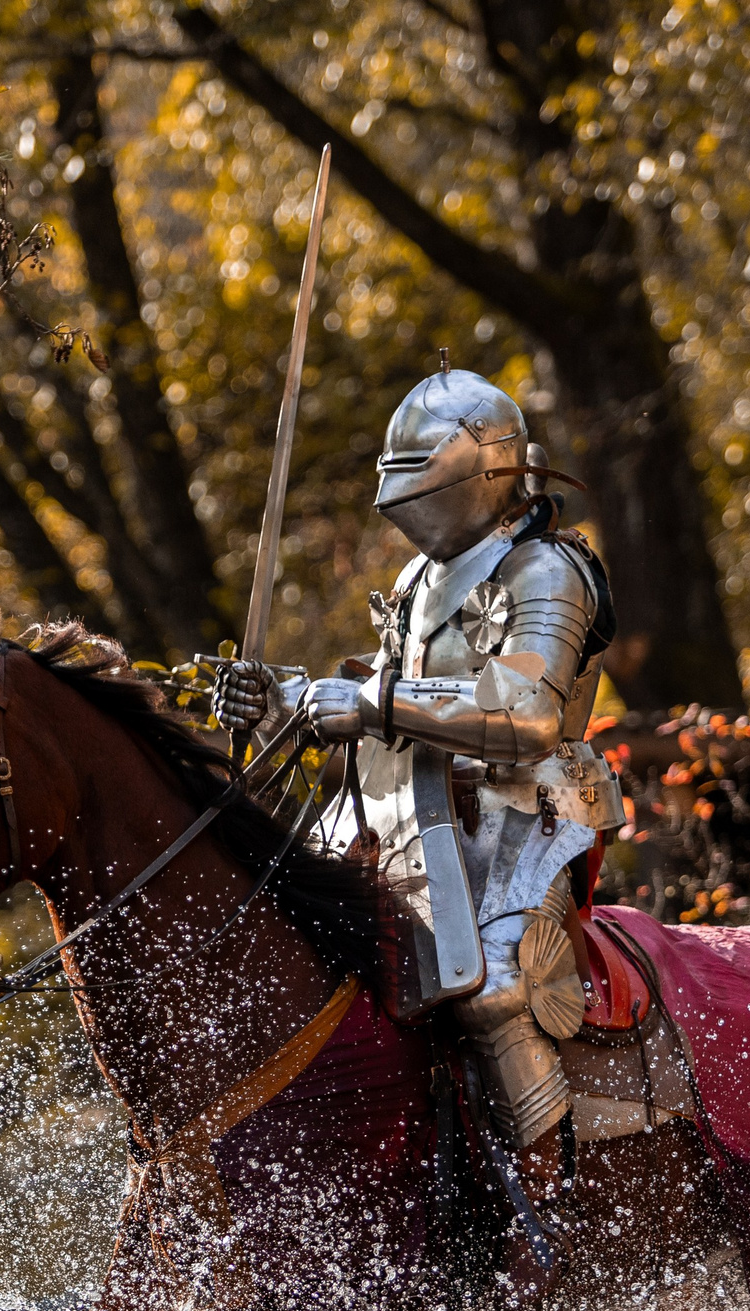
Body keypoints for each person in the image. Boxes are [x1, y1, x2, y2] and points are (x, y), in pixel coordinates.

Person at [216, 365, 622, 1180]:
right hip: (406, 808)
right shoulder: (417, 580)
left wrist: (373, 703)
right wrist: (280, 701)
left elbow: (526, 711)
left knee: (495, 986)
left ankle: (553, 1195)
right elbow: (381, 696)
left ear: (488, 468)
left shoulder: (547, 569)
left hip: (525, 811)